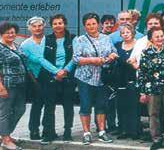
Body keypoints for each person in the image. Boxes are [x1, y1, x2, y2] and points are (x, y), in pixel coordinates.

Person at [72, 13, 118, 145]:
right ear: (84, 26)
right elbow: (76, 59)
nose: (91, 26)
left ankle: (102, 132)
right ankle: (86, 133)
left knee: (101, 106)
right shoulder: (80, 40)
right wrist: (93, 60)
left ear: (98, 24)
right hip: (85, 78)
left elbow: (113, 51)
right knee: (85, 106)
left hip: (102, 78)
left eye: (93, 23)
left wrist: (112, 56)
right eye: (88, 24)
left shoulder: (106, 38)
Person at [38, 15, 78, 143]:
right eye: (55, 23)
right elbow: (41, 58)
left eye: (60, 23)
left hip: (67, 77)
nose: (58, 25)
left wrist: (65, 71)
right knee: (49, 107)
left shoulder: (73, 38)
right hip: (51, 77)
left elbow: (75, 57)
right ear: (51, 26)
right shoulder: (46, 39)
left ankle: (67, 132)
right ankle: (49, 133)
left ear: (65, 24)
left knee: (68, 106)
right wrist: (56, 72)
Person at [0, 22, 29, 150]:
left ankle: (5, 135)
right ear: (1, 34)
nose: (11, 35)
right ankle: (6, 139)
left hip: (19, 85)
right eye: (7, 32)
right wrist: (0, 87)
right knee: (5, 112)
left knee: (20, 109)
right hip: (6, 85)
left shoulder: (15, 46)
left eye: (13, 32)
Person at [137, 27, 164, 150]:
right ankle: (156, 139)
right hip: (151, 88)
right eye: (157, 36)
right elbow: (142, 73)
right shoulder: (146, 52)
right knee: (153, 114)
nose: (160, 38)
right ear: (151, 39)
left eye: (162, 36)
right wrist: (142, 92)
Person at [19, 17, 45, 142]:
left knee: (50, 105)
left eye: (39, 26)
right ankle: (34, 130)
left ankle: (48, 129)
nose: (37, 28)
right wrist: (33, 80)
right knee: (37, 105)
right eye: (34, 26)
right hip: (34, 78)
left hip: (49, 76)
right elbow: (25, 65)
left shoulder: (49, 40)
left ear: (44, 27)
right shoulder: (25, 45)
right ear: (29, 28)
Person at [113, 24, 140, 140]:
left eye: (128, 32)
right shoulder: (117, 46)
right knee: (121, 106)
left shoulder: (138, 45)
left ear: (133, 32)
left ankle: (135, 130)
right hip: (120, 80)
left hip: (134, 79)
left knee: (134, 106)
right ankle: (123, 130)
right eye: (123, 33)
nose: (125, 34)